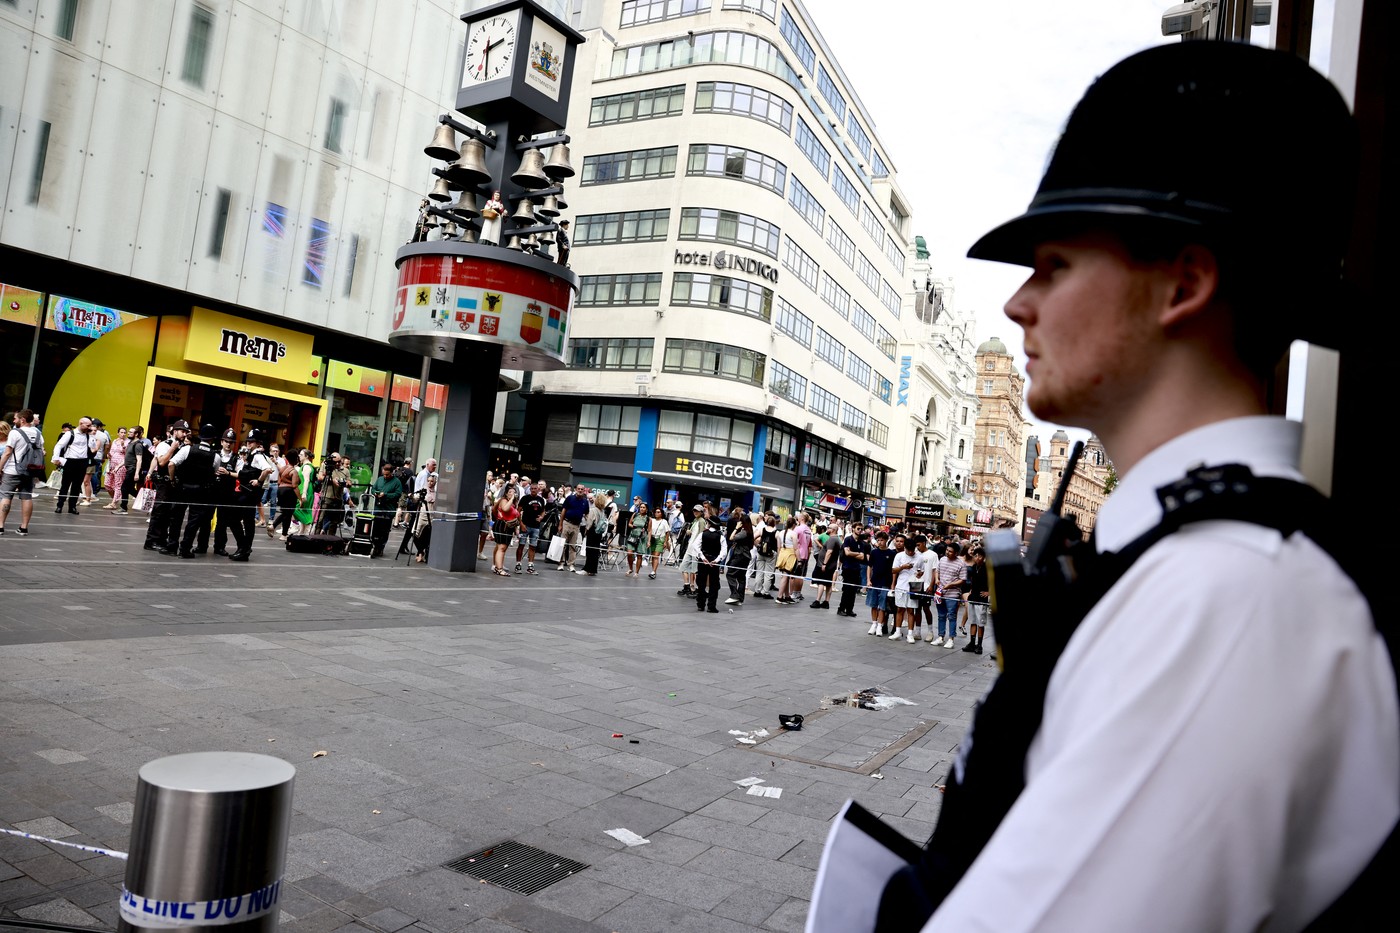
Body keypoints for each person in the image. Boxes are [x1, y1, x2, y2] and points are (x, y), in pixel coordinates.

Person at [870, 42, 1397, 933]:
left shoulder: (1225, 599)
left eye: (1055, 263)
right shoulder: (1194, 565)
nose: (1017, 303)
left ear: (1183, 284)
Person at [166, 423, 219, 558]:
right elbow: (215, 472)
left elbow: (171, 464)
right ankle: (185, 549)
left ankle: (172, 546)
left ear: (200, 436)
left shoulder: (187, 449)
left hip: (183, 488)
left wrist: (173, 480)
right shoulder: (215, 456)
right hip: (201, 492)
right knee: (193, 522)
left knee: (176, 518)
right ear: (212, 439)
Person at [142, 421, 189, 549]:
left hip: (176, 483)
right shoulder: (164, 444)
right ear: (175, 431)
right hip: (164, 482)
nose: (185, 434)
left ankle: (162, 539)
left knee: (169, 513)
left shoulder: (184, 446)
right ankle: (151, 541)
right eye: (182, 431)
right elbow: (161, 462)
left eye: (186, 432)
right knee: (159, 511)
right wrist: (173, 448)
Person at [228, 431, 273, 561]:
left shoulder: (258, 456)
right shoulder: (252, 455)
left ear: (258, 443)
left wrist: (259, 481)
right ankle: (244, 547)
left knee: (239, 519)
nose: (248, 443)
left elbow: (268, 469)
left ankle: (244, 548)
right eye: (248, 441)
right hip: (246, 492)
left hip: (249, 493)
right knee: (246, 521)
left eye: (252, 441)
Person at [0, 409, 43, 537]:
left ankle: (0, 526)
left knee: (6, 496)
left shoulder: (15, 432)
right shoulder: (38, 433)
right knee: (27, 497)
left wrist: (0, 467)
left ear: (22, 420)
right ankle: (24, 528)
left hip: (12, 470)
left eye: (15, 418)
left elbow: (8, 452)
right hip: (29, 470)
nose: (14, 421)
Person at [52, 415, 96, 514]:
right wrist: (56, 458)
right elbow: (59, 446)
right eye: (88, 425)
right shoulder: (70, 434)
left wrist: (93, 439)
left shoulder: (88, 435)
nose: (89, 428)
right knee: (65, 485)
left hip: (82, 462)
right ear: (81, 424)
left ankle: (72, 507)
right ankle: (60, 505)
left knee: (76, 486)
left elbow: (93, 448)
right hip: (70, 461)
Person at [210, 429, 240, 554]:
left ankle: (219, 547)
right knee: (206, 518)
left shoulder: (236, 458)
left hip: (227, 493)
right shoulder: (214, 454)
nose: (228, 444)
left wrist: (228, 473)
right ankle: (201, 545)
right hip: (212, 491)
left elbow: (240, 474)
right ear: (222, 442)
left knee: (222, 521)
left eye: (231, 442)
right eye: (226, 441)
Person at [933, 540, 966, 649]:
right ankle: (940, 636)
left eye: (950, 551)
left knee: (951, 616)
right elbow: (937, 571)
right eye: (947, 550)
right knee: (941, 615)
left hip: (953, 594)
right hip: (940, 591)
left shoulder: (961, 564)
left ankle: (951, 638)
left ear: (956, 553)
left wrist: (951, 584)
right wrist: (937, 579)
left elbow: (962, 580)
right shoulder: (942, 559)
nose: (947, 553)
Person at [692, 515, 727, 614]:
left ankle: (700, 605)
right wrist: (717, 560)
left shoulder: (703, 534)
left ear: (709, 523)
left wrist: (702, 557)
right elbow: (724, 551)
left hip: (703, 560)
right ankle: (711, 606)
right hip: (714, 561)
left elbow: (695, 546)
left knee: (701, 583)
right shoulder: (721, 536)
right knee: (714, 584)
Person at [889, 536, 920, 644]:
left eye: (912, 551)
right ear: (905, 548)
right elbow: (893, 570)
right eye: (908, 551)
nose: (911, 553)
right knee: (899, 609)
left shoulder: (919, 557)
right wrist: (903, 567)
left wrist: (919, 573)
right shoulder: (899, 555)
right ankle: (897, 631)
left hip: (914, 586)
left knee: (911, 610)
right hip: (901, 585)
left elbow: (922, 572)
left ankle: (910, 634)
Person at [370, 462, 403, 558]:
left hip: (388, 509)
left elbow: (398, 494)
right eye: (384, 474)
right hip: (378, 508)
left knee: (384, 530)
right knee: (375, 528)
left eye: (387, 475)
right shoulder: (380, 479)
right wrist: (376, 493)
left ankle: (381, 547)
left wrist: (386, 495)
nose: (385, 476)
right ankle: (375, 546)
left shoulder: (396, 482)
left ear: (392, 473)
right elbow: (373, 488)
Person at [960, 544, 989, 655]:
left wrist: (989, 592)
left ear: (984, 557)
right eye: (976, 555)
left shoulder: (987, 568)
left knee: (980, 622)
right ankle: (972, 643)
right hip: (973, 596)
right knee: (972, 621)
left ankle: (979, 645)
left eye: (980, 556)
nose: (977, 558)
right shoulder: (973, 568)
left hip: (982, 598)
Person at [864, 531, 894, 635]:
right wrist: (868, 580)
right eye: (878, 540)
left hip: (885, 582)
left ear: (886, 540)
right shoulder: (874, 552)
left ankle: (880, 626)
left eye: (882, 540)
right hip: (874, 581)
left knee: (882, 605)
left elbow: (893, 570)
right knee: (873, 604)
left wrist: (892, 584)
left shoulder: (891, 553)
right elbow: (869, 566)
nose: (880, 542)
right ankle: (874, 623)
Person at [837, 525, 869, 617]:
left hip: (856, 568)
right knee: (847, 589)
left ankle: (850, 609)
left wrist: (853, 553)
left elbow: (862, 556)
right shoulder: (848, 539)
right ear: (853, 529)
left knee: (853, 590)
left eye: (861, 529)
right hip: (847, 568)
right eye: (858, 528)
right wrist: (857, 553)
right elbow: (847, 553)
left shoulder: (861, 543)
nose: (859, 530)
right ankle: (841, 608)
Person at [516, 479, 548, 573]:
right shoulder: (525, 498)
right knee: (521, 545)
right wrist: (521, 524)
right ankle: (518, 564)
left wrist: (541, 517)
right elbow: (518, 512)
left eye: (535, 489)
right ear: (530, 489)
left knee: (533, 546)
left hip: (536, 527)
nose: (533, 490)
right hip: (525, 525)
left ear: (538, 490)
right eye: (532, 488)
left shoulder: (541, 499)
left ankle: (530, 566)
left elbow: (543, 510)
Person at [556, 482, 590, 572]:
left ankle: (571, 564)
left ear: (584, 491)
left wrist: (588, 525)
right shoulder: (570, 498)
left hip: (576, 526)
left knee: (573, 546)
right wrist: (560, 524)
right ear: (575, 489)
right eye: (578, 489)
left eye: (582, 489)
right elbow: (563, 511)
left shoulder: (585, 502)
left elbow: (586, 514)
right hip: (566, 523)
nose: (580, 490)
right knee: (562, 544)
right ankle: (561, 563)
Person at [724, 507, 753, 606]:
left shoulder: (744, 532)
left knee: (730, 574)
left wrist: (736, 528)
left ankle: (734, 595)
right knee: (741, 577)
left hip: (739, 555)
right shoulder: (749, 532)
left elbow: (731, 537)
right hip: (746, 556)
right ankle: (740, 598)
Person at [488, 483, 519, 575]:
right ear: (506, 493)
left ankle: (496, 565)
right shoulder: (504, 500)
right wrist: (499, 517)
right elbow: (504, 509)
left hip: (509, 526)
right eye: (510, 492)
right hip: (502, 525)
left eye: (514, 492)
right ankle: (499, 568)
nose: (512, 493)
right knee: (502, 547)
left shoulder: (513, 503)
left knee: (500, 547)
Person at [315, 452, 349, 535]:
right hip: (326, 496)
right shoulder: (326, 466)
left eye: (339, 462)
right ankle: (316, 536)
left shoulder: (345, 470)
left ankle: (330, 540)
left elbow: (349, 482)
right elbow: (320, 477)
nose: (337, 464)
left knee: (334, 521)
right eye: (335, 462)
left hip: (338, 498)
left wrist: (346, 483)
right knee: (320, 519)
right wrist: (332, 481)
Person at [675, 504, 704, 597]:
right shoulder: (695, 520)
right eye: (694, 510)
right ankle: (687, 586)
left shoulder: (701, 521)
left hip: (695, 550)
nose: (695, 512)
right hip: (690, 548)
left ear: (701, 512)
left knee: (694, 570)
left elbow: (701, 536)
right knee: (683, 567)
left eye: (697, 511)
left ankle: (692, 588)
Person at [581, 492, 609, 576]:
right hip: (599, 533)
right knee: (595, 551)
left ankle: (587, 568)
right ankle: (593, 569)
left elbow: (589, 522)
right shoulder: (602, 511)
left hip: (592, 531)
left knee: (589, 550)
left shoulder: (593, 510)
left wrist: (586, 530)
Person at [101, 427, 128, 509]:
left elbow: (127, 454)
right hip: (111, 464)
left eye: (124, 432)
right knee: (107, 484)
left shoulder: (127, 442)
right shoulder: (115, 441)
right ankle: (115, 499)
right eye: (121, 432)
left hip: (121, 465)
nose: (123, 434)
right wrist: (109, 455)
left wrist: (123, 446)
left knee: (118, 484)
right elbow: (112, 452)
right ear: (118, 433)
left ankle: (114, 503)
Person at [412, 474, 436, 563]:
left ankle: (421, 553)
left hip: (431, 518)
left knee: (427, 537)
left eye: (432, 481)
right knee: (415, 534)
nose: (430, 483)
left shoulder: (436, 493)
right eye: (428, 481)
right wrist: (412, 496)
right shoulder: (423, 491)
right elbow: (415, 498)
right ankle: (421, 552)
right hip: (421, 516)